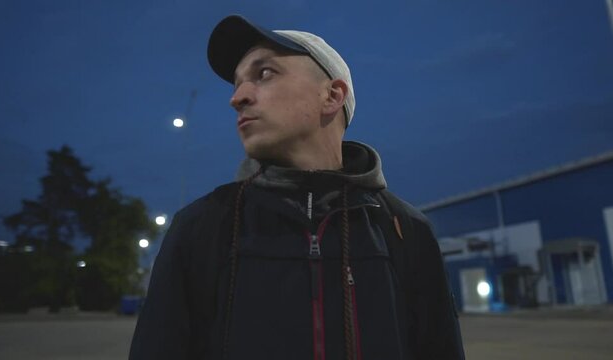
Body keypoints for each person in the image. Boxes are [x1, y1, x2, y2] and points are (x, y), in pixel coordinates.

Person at [129, 15, 464, 360]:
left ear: (332, 96)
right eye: (236, 84)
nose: (238, 98)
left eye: (264, 74)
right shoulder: (201, 227)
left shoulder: (405, 230)